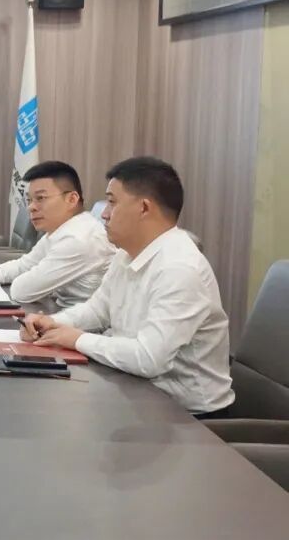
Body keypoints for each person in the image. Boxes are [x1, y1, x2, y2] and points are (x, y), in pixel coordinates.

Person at [20, 156, 234, 416]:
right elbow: (97, 310)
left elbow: (149, 358)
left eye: (112, 202)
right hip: (133, 389)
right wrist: (53, 323)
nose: (104, 214)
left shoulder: (180, 268)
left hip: (187, 417)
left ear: (144, 208)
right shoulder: (127, 253)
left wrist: (77, 339)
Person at [0, 161, 115, 307]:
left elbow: (21, 291)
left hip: (83, 321)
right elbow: (24, 265)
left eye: (41, 198)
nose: (31, 207)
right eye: (29, 200)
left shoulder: (78, 239)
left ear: (72, 199)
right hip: (62, 311)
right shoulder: (61, 230)